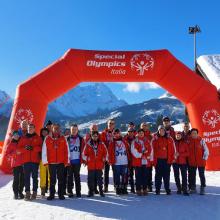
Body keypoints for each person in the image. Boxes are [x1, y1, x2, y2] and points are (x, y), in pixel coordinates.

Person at [42, 124, 70, 200]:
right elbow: (44, 150)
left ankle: (61, 194)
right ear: (52, 129)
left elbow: (67, 150)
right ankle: (52, 194)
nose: (56, 130)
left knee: (61, 179)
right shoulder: (47, 138)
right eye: (55, 128)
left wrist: (67, 161)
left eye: (58, 128)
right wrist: (45, 161)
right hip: (51, 162)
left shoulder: (63, 138)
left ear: (59, 129)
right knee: (52, 179)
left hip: (61, 162)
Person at [18, 124, 42, 200]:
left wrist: (33, 148)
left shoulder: (38, 138)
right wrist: (25, 148)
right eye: (29, 128)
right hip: (26, 161)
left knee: (35, 177)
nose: (30, 129)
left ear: (34, 129)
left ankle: (34, 192)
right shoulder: (23, 138)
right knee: (26, 177)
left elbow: (41, 148)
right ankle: (27, 193)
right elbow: (18, 149)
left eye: (31, 128)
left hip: (35, 161)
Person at [82, 131, 108, 197]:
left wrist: (104, 158)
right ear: (91, 136)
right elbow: (83, 154)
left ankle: (101, 191)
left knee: (99, 179)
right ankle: (91, 191)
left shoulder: (102, 144)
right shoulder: (88, 144)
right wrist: (88, 159)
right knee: (90, 179)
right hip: (91, 165)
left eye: (96, 136)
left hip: (99, 165)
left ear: (98, 136)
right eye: (93, 136)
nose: (95, 137)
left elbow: (106, 153)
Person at [152, 125, 176, 195]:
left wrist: (173, 158)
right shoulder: (155, 138)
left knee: (166, 176)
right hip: (158, 160)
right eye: (160, 130)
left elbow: (173, 149)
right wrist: (152, 160)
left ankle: (167, 189)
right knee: (158, 175)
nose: (161, 132)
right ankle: (157, 189)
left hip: (167, 160)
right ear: (158, 131)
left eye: (163, 130)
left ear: (165, 131)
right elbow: (151, 149)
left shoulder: (169, 138)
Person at [131, 129, 152, 196]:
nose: (141, 134)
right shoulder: (135, 141)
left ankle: (145, 189)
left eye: (142, 133)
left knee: (145, 176)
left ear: (144, 133)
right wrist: (141, 155)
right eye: (140, 133)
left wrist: (147, 155)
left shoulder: (147, 141)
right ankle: (138, 189)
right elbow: (133, 151)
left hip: (145, 161)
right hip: (138, 162)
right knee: (138, 176)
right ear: (137, 134)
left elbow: (150, 150)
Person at [188, 128, 209, 195]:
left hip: (201, 162)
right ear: (190, 134)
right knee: (192, 175)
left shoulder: (201, 140)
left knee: (201, 175)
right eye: (192, 133)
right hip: (192, 161)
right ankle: (193, 188)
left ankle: (202, 188)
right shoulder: (188, 141)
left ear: (197, 133)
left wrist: (204, 158)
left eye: (195, 133)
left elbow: (206, 151)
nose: (194, 134)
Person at [109, 129, 130, 195]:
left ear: (120, 133)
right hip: (116, 162)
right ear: (113, 134)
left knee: (124, 176)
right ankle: (118, 189)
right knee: (117, 176)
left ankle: (124, 188)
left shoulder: (124, 141)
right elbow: (109, 152)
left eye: (118, 133)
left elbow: (128, 150)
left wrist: (129, 160)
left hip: (124, 162)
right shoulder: (111, 142)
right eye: (115, 133)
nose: (117, 134)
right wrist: (110, 160)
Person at [67, 124, 84, 198]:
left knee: (77, 176)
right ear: (70, 130)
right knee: (69, 177)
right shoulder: (67, 138)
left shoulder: (80, 139)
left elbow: (83, 149)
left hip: (77, 161)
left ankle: (78, 192)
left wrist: (83, 159)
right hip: (69, 161)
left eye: (75, 129)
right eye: (72, 129)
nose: (74, 131)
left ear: (77, 130)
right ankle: (70, 191)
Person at [5, 131, 24, 199]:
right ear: (12, 136)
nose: (16, 136)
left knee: (22, 179)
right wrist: (15, 153)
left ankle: (20, 192)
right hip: (15, 164)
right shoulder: (10, 144)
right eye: (15, 135)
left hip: (22, 164)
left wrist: (21, 151)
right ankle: (15, 193)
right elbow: (7, 155)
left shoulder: (21, 142)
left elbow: (24, 150)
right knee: (16, 179)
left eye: (17, 135)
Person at [84, 124, 100, 194]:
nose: (94, 129)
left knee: (97, 175)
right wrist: (85, 159)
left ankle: (95, 188)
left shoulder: (99, 136)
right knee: (90, 176)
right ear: (90, 129)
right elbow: (83, 148)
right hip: (90, 160)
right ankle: (90, 189)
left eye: (95, 128)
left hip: (98, 160)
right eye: (93, 128)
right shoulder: (87, 137)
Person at [173, 131, 189, 195]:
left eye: (179, 135)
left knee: (184, 176)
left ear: (181, 136)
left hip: (183, 162)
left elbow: (188, 153)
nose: (178, 136)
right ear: (175, 136)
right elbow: (171, 152)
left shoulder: (184, 143)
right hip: (175, 162)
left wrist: (180, 154)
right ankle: (179, 188)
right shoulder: (173, 143)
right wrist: (173, 156)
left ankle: (184, 189)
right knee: (176, 176)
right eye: (177, 135)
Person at [101, 119, 115, 192]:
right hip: (106, 155)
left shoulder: (116, 133)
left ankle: (116, 186)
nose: (110, 125)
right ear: (107, 124)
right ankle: (105, 187)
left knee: (115, 171)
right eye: (109, 123)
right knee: (106, 172)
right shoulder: (103, 133)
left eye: (112, 123)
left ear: (114, 125)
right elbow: (102, 144)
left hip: (114, 155)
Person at [140, 122, 153, 192]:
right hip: (141, 157)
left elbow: (152, 147)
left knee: (149, 172)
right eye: (143, 126)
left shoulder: (150, 136)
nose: (144, 127)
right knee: (142, 172)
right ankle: (142, 185)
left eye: (145, 126)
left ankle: (149, 185)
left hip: (149, 156)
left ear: (147, 127)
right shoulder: (138, 135)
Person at [123, 127, 136, 193]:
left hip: (134, 159)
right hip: (126, 159)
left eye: (132, 131)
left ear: (134, 132)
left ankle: (133, 188)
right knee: (126, 174)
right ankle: (125, 187)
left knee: (132, 174)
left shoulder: (136, 139)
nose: (130, 133)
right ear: (127, 132)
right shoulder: (124, 139)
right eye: (129, 131)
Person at [39, 127, 50, 197]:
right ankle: (42, 188)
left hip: (49, 159)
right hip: (41, 159)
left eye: (46, 132)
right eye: (43, 132)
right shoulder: (39, 139)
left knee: (50, 174)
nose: (44, 133)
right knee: (42, 174)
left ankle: (50, 187)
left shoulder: (50, 139)